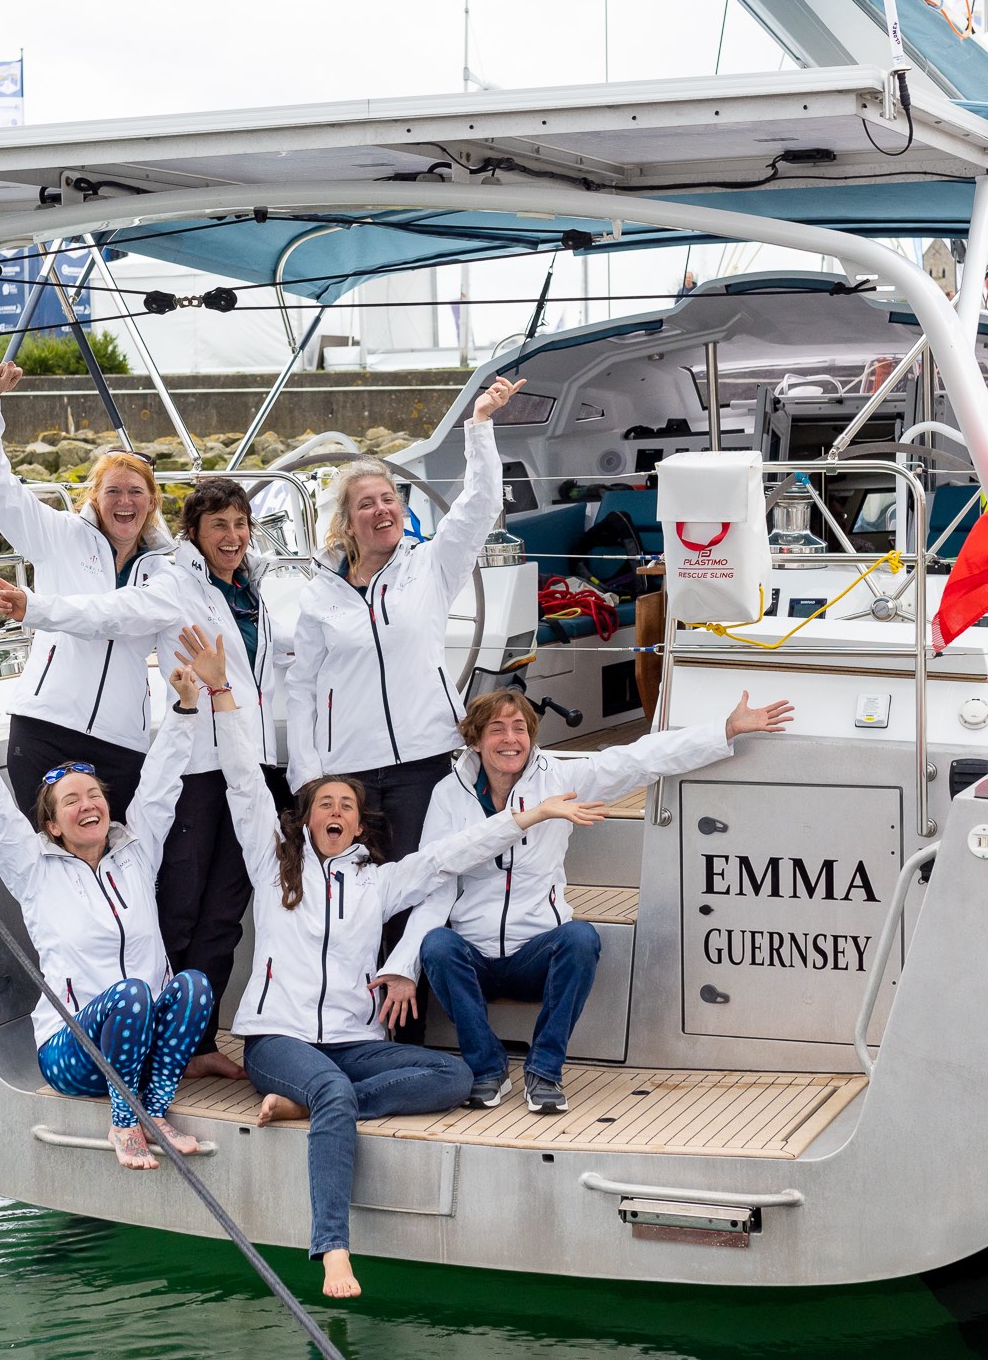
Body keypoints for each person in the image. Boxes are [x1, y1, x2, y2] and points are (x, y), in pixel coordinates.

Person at [203, 624, 606, 1300]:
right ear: (306, 820)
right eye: (324, 803)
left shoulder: (381, 880)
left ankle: (312, 1110)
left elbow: (452, 853)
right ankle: (333, 1248)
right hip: (282, 1037)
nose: (335, 810)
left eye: (347, 807)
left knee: (453, 1077)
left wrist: (525, 817)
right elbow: (244, 780)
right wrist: (221, 692)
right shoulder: (274, 868)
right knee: (330, 1088)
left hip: (356, 1042)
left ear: (361, 825)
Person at [0, 475, 284, 1080]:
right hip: (199, 765)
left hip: (251, 764)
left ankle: (197, 1045)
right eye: (218, 525)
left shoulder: (261, 587)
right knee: (178, 904)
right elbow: (109, 613)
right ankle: (150, 1036)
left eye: (240, 524)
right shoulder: (173, 581)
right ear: (192, 535)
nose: (233, 537)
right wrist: (36, 608)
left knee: (227, 909)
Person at [388, 688, 794, 1114]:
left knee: (581, 938)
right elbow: (437, 882)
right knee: (437, 945)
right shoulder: (448, 795)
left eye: (519, 728)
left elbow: (637, 759)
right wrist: (402, 967)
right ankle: (487, 1069)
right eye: (497, 729)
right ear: (475, 740)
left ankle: (544, 1071)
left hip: (534, 953)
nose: (511, 738)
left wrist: (724, 729)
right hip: (475, 957)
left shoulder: (559, 778)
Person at [0, 643, 239, 1169]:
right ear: (53, 825)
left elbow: (160, 785)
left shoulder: (135, 852)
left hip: (139, 1041)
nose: (89, 805)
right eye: (72, 801)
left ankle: (152, 1108)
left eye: (95, 795)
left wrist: (184, 708)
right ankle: (126, 1126)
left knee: (193, 985)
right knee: (128, 996)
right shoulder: (34, 870)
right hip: (74, 1049)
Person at [284, 376, 520, 963]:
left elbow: (480, 505)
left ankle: (410, 1032)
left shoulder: (431, 568)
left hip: (423, 763)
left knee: (421, 894)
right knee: (358, 900)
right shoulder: (320, 596)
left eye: (388, 499)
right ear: (347, 523)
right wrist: (309, 776)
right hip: (351, 773)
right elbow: (303, 689)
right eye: (366, 503)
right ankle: (359, 1027)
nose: (381, 509)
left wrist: (480, 427)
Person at [0, 357, 172, 820]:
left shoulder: (166, 571)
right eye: (113, 491)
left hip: (121, 740)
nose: (124, 501)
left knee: (116, 861)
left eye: (136, 492)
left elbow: (115, 615)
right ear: (93, 498)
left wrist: (35, 608)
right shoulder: (58, 535)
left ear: (152, 501)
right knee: (42, 857)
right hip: (44, 726)